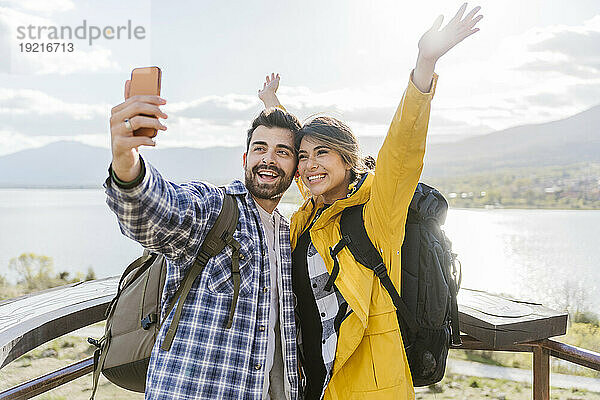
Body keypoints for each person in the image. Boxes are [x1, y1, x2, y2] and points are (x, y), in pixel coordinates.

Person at [258, 4, 483, 399]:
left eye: (323, 154)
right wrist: (273, 107)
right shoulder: (306, 219)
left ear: (348, 159)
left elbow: (403, 150)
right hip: (313, 383)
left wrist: (424, 63)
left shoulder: (378, 211)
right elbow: (295, 153)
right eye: (304, 158)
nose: (310, 167)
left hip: (370, 387)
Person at [105, 79, 303, 399]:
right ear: (244, 160)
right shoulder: (214, 207)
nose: (269, 159)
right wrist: (126, 162)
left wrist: (271, 100)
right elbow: (158, 212)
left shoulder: (290, 234)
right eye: (260, 148)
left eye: (282, 152)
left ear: (296, 170)